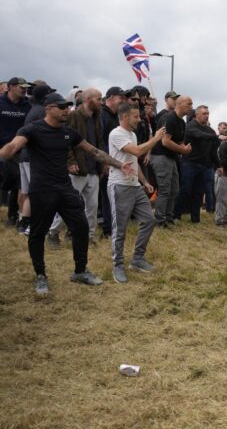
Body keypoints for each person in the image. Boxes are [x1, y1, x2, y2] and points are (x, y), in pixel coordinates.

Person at [0, 93, 131, 294]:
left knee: (80, 227)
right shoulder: (32, 130)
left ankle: (80, 271)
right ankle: (41, 275)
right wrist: (6, 152)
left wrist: (119, 164)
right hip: (42, 190)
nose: (66, 110)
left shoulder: (68, 133)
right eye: (61, 107)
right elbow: (13, 146)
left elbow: (94, 152)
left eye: (67, 106)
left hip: (64, 188)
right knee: (37, 233)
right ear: (48, 109)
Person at [108, 103, 167, 283]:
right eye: (136, 116)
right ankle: (118, 265)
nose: (139, 119)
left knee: (149, 220)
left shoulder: (132, 134)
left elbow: (134, 161)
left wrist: (145, 182)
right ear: (125, 117)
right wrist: (156, 138)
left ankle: (137, 259)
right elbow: (138, 151)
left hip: (135, 186)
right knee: (121, 228)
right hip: (120, 186)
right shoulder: (116, 133)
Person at [48, 88, 103, 245]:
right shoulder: (73, 116)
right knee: (67, 204)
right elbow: (65, 141)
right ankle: (52, 233)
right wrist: (70, 162)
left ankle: (88, 237)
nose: (101, 102)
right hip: (77, 168)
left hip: (93, 168)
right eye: (98, 99)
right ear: (88, 99)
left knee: (92, 206)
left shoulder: (97, 117)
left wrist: (102, 163)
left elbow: (99, 142)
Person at [17, 82, 56, 235]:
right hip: (34, 157)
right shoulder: (41, 112)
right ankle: (34, 227)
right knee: (39, 193)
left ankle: (25, 224)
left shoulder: (33, 109)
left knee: (29, 192)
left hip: (24, 156)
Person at [150, 95, 192, 227]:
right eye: (189, 104)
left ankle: (168, 217)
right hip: (161, 156)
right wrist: (182, 150)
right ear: (179, 104)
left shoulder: (182, 122)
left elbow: (180, 141)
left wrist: (184, 147)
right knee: (165, 189)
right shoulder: (169, 117)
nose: (191, 107)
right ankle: (160, 220)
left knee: (174, 189)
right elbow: (165, 141)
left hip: (172, 157)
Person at [174, 104, 219, 223]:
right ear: (197, 115)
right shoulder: (191, 126)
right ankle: (176, 215)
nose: (206, 116)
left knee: (199, 192)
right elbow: (199, 135)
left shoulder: (211, 131)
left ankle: (195, 218)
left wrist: (218, 165)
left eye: (208, 113)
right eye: (204, 113)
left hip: (204, 165)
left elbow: (213, 152)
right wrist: (216, 137)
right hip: (189, 163)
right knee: (185, 189)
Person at [0, 77, 32, 227]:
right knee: (9, 181)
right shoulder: (1, 103)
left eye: (26, 87)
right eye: (21, 87)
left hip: (19, 148)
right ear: (11, 87)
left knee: (17, 180)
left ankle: (13, 216)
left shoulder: (27, 105)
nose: (24, 89)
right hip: (2, 149)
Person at [99, 86, 126, 238]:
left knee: (113, 196)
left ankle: (112, 227)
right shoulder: (102, 114)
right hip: (106, 163)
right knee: (107, 196)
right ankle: (108, 229)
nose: (123, 101)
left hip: (116, 162)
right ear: (110, 98)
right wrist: (105, 162)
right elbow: (101, 139)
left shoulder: (116, 116)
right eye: (120, 98)